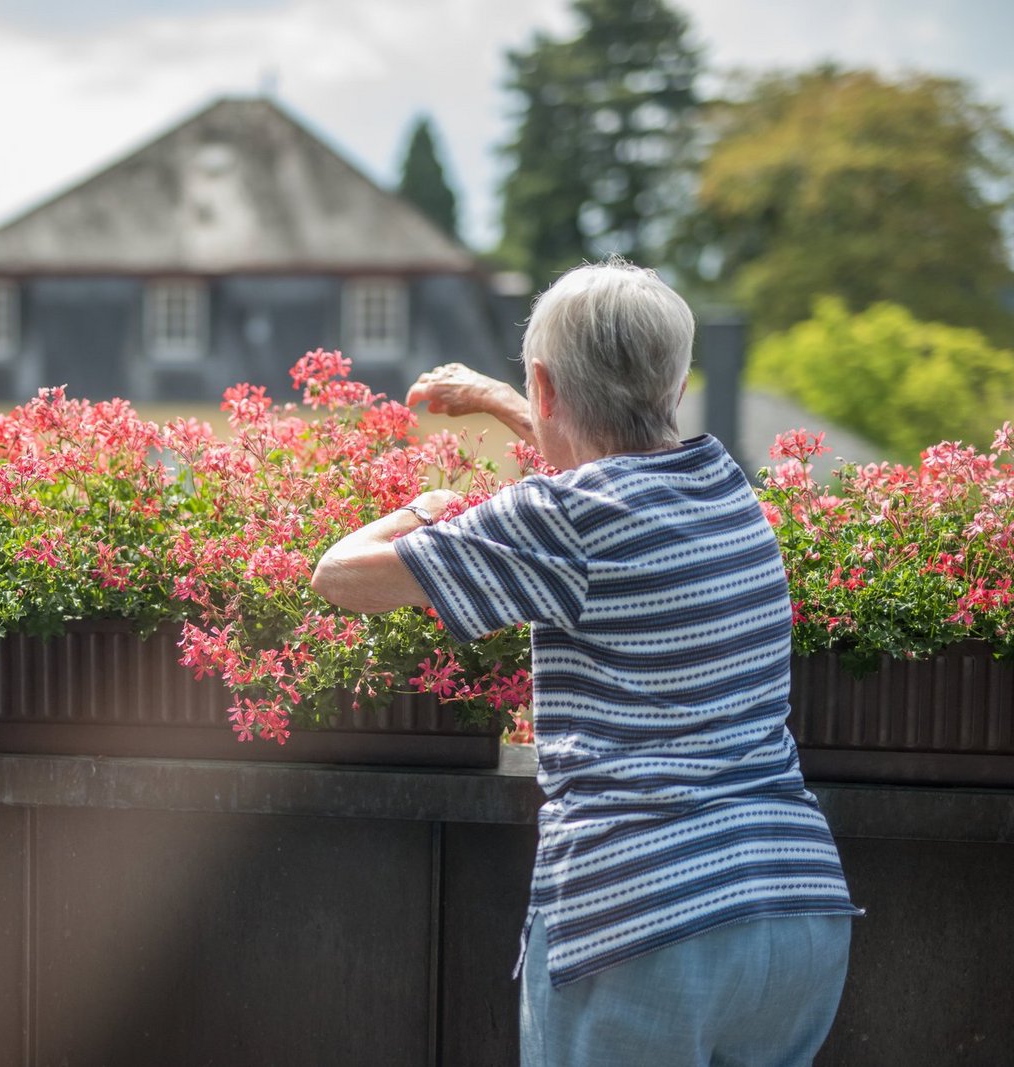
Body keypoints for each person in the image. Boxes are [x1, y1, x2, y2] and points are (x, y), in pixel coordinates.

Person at [311, 259, 861, 1067]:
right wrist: (504, 402)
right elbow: (611, 475)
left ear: (545, 383)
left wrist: (424, 513)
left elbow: (341, 575)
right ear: (675, 382)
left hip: (646, 920)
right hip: (794, 913)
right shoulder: (729, 492)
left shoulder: (561, 517)